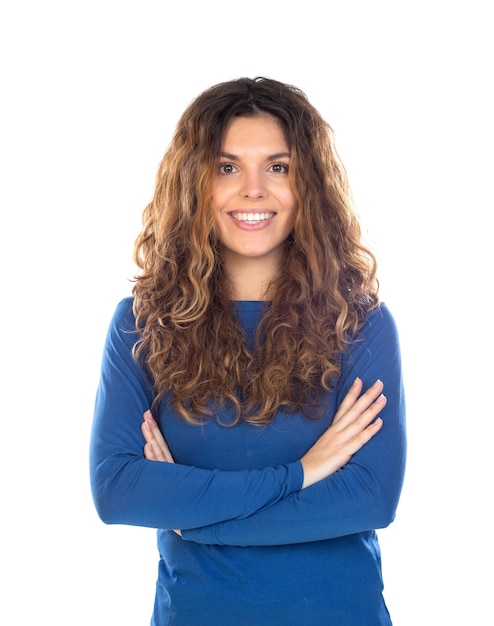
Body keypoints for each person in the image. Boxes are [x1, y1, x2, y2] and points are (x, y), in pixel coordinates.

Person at [89, 76, 406, 626]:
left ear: (308, 185)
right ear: (194, 184)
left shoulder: (360, 325)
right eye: (227, 167)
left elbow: (370, 498)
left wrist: (195, 513)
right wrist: (302, 473)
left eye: (278, 167)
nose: (253, 189)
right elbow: (119, 491)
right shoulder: (141, 327)